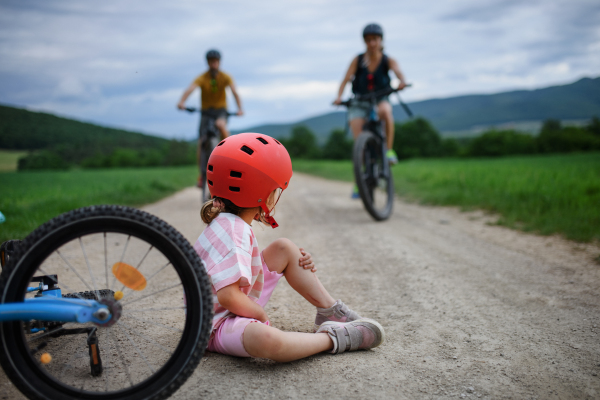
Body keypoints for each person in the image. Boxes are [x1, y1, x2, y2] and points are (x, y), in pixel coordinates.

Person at [193, 132, 385, 361]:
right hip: (215, 324)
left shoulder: (225, 221)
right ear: (260, 191)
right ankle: (333, 338)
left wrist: (295, 262)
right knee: (268, 340)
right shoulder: (235, 231)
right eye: (275, 189)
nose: (276, 194)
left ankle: (329, 311)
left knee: (284, 248)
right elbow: (228, 297)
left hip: (226, 306)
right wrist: (259, 315)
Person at [333, 23, 408, 198]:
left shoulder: (387, 60)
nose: (371, 43)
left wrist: (402, 81)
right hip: (359, 101)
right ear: (364, 42)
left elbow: (399, 72)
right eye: (368, 40)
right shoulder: (358, 60)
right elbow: (346, 78)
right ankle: (359, 180)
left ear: (380, 40)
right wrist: (339, 96)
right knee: (359, 142)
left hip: (381, 98)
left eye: (374, 39)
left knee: (386, 112)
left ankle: (388, 150)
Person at [177, 49, 244, 187]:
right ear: (207, 62)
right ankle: (201, 176)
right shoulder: (202, 77)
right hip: (206, 112)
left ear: (219, 62)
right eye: (211, 61)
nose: (213, 64)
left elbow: (234, 92)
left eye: (215, 61)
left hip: (221, 110)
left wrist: (239, 108)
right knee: (201, 141)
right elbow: (190, 89)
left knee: (221, 124)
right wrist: (182, 102)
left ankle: (232, 154)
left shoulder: (226, 77)